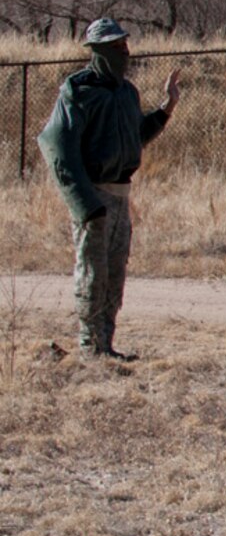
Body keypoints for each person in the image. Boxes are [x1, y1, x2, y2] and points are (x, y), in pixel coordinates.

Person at [36, 18, 180, 360]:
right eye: (115, 47)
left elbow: (135, 138)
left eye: (125, 45)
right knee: (92, 273)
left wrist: (167, 107)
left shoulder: (128, 93)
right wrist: (84, 203)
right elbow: (55, 145)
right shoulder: (78, 91)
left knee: (115, 274)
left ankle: (107, 345)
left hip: (121, 196)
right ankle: (90, 348)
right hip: (94, 196)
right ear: (97, 51)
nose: (124, 52)